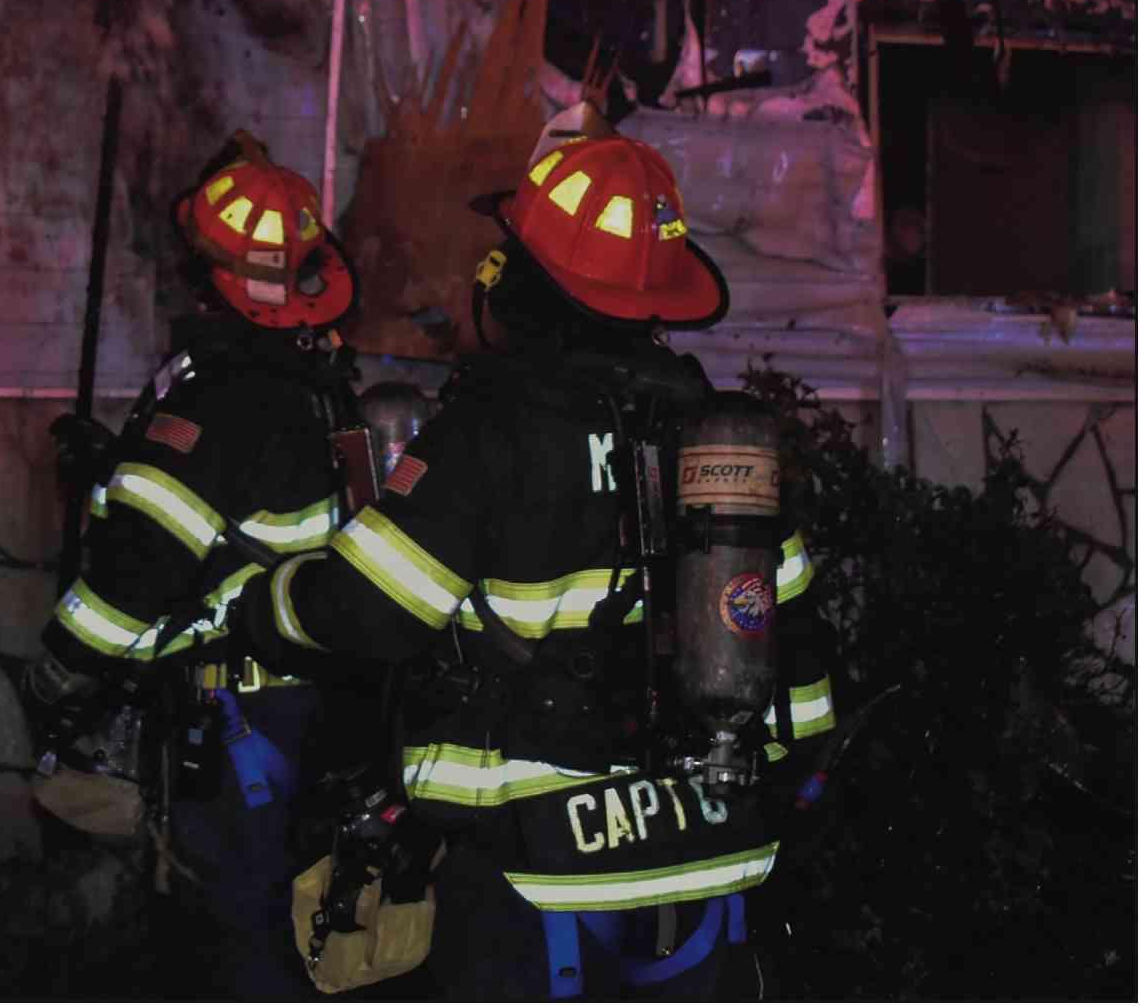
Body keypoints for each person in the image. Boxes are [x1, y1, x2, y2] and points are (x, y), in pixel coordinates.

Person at [234, 128, 839, 999]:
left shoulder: (488, 431)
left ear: (525, 275)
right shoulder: (715, 437)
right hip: (710, 866)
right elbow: (794, 654)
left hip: (535, 867)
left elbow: (367, 613)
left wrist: (268, 607)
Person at [22, 132, 381, 999]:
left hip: (235, 722)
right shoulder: (319, 384)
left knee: (232, 935)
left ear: (208, 279)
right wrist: (116, 463)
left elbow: (142, 568)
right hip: (315, 705)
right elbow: (244, 509)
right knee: (290, 925)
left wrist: (61, 666)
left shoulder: (215, 399)